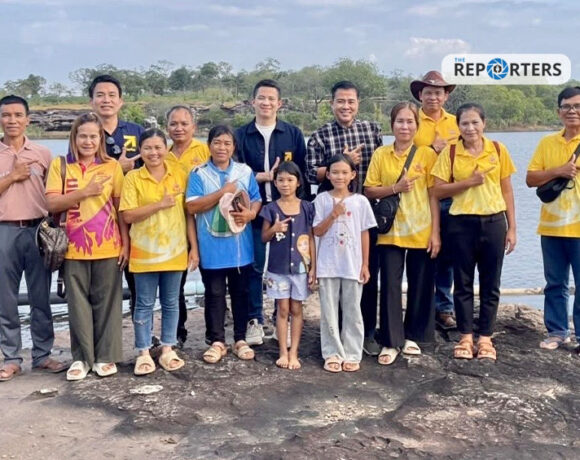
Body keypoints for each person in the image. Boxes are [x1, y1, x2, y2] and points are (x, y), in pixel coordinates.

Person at [46, 112, 128, 380]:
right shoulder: (61, 165)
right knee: (78, 305)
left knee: (108, 304)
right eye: (83, 136)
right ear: (74, 137)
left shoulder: (112, 167)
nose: (88, 141)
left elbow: (120, 209)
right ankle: (81, 358)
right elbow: (51, 203)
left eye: (94, 136)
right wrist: (83, 192)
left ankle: (105, 356)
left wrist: (126, 244)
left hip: (108, 245)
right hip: (71, 247)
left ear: (101, 139)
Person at [431, 103, 516, 361]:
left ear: (484, 123)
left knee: (491, 283)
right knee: (463, 282)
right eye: (464, 123)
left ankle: (486, 338)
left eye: (475, 122)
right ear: (458, 126)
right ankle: (466, 337)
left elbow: (507, 189)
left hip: (494, 222)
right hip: (460, 224)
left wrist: (512, 227)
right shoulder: (451, 152)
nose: (470, 128)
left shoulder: (497, 150)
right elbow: (437, 191)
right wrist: (469, 182)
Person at [306, 80, 383, 356]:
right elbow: (310, 173)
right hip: (331, 211)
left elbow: (381, 164)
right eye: (340, 101)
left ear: (358, 103)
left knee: (364, 275)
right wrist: (340, 163)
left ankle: (366, 335)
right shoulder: (320, 135)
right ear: (332, 104)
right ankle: (334, 340)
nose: (346, 106)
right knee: (333, 281)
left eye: (351, 101)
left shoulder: (372, 130)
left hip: (363, 209)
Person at [364, 102, 440, 365]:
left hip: (421, 229)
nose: (404, 126)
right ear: (392, 124)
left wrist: (436, 233)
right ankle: (390, 340)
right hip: (390, 231)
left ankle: (412, 336)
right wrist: (395, 188)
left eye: (410, 122)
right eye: (400, 121)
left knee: (421, 284)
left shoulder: (427, 155)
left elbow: (434, 195)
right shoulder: (381, 154)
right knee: (390, 286)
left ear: (417, 126)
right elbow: (369, 190)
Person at [235, 79, 308, 346]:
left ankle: (281, 319)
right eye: (261, 98)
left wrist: (301, 213)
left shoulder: (292, 134)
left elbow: (301, 174)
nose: (266, 103)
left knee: (284, 266)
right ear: (252, 101)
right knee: (254, 267)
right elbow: (234, 175)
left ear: (280, 103)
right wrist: (262, 176)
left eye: (271, 99)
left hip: (285, 213)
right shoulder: (240, 135)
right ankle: (255, 319)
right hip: (252, 212)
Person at [120, 128, 198, 375]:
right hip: (144, 252)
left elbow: (189, 214)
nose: (153, 153)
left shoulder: (180, 173)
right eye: (148, 148)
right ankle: (143, 351)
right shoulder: (133, 178)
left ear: (166, 149)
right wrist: (159, 205)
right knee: (143, 303)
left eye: (158, 147)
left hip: (175, 250)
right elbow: (128, 215)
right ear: (140, 151)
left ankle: (167, 348)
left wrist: (194, 248)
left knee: (171, 302)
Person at [0, 95, 66, 382]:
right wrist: (12, 176)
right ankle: (11, 358)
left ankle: (41, 355)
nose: (12, 120)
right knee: (5, 298)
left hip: (39, 230)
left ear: (28, 119)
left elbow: (55, 194)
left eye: (18, 115)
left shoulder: (43, 153)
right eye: (6, 115)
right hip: (5, 230)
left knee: (41, 296)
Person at [186, 125, 261, 364]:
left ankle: (240, 339)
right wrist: (223, 192)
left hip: (240, 247)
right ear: (209, 145)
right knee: (215, 293)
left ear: (234, 147)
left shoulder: (244, 171)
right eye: (217, 142)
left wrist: (250, 214)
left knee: (241, 292)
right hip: (211, 246)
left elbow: (256, 199)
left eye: (227, 143)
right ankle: (217, 341)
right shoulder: (198, 173)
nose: (222, 147)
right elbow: (192, 206)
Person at [526, 86, 580, 351]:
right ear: (559, 112)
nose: (572, 111)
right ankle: (557, 331)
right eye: (567, 106)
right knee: (555, 282)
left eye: (577, 106)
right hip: (552, 226)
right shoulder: (547, 143)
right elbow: (531, 178)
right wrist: (559, 170)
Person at [313, 154, 376, 373]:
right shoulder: (321, 200)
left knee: (353, 311)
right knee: (329, 312)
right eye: (335, 172)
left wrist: (365, 264)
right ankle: (332, 352)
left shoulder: (360, 201)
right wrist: (333, 214)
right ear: (328, 175)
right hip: (327, 264)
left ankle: (352, 352)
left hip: (352, 265)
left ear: (353, 175)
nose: (340, 177)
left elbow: (365, 233)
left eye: (344, 172)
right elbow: (316, 231)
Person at [88, 74, 145, 319]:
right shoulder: (85, 134)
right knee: (103, 286)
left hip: (135, 216)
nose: (106, 100)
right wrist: (116, 170)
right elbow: (77, 174)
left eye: (112, 95)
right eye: (100, 95)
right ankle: (105, 337)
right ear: (91, 101)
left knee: (138, 281)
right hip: (98, 219)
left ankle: (143, 335)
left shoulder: (136, 132)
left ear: (121, 101)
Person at [410, 70, 459, 330]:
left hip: (449, 194)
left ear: (446, 96)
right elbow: (404, 151)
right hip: (419, 195)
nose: (433, 97)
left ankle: (444, 307)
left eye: (438, 93)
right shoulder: (411, 120)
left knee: (447, 254)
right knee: (422, 251)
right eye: (428, 92)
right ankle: (422, 306)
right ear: (420, 95)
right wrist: (431, 150)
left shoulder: (456, 122)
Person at [260, 161, 315, 370]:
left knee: (296, 308)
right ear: (274, 183)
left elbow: (311, 238)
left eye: (290, 180)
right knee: (282, 308)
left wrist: (313, 268)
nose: (285, 184)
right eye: (281, 180)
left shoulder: (307, 207)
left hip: (301, 268)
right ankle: (283, 351)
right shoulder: (270, 208)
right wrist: (274, 229)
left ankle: (294, 352)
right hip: (278, 268)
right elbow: (264, 237)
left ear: (298, 182)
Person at [166, 104, 210, 347]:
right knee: (176, 283)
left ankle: (215, 333)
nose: (179, 128)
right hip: (174, 227)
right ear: (167, 128)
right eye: (174, 124)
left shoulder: (205, 151)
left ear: (194, 126)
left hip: (206, 224)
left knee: (213, 281)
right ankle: (178, 332)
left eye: (184, 123)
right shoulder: (162, 154)